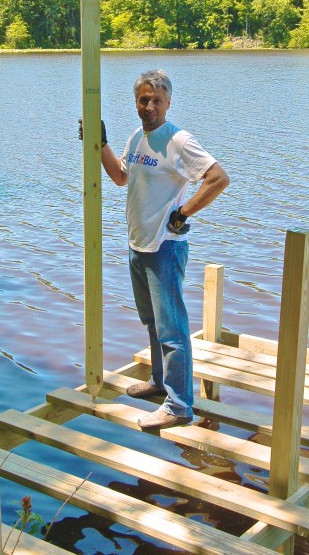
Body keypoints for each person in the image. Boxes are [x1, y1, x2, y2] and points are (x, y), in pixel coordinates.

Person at [82, 69, 230, 430]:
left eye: (156, 101)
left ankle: (179, 406)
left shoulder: (178, 140)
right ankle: (160, 382)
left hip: (165, 247)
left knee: (172, 330)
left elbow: (218, 178)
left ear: (168, 103)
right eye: (143, 100)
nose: (149, 107)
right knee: (152, 322)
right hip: (138, 244)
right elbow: (120, 177)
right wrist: (100, 144)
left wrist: (183, 213)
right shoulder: (137, 138)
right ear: (136, 102)